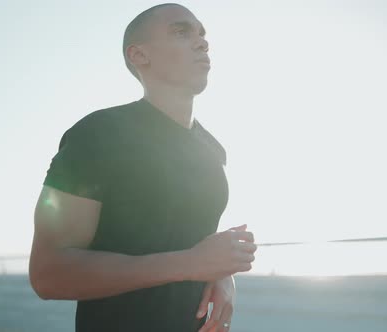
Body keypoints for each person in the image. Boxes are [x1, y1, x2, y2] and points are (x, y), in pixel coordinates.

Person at [28, 3, 257, 332]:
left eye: (203, 34)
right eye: (181, 32)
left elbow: (189, 239)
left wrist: (222, 272)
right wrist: (191, 264)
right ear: (139, 55)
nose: (202, 42)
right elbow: (48, 275)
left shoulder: (212, 149)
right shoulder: (97, 135)